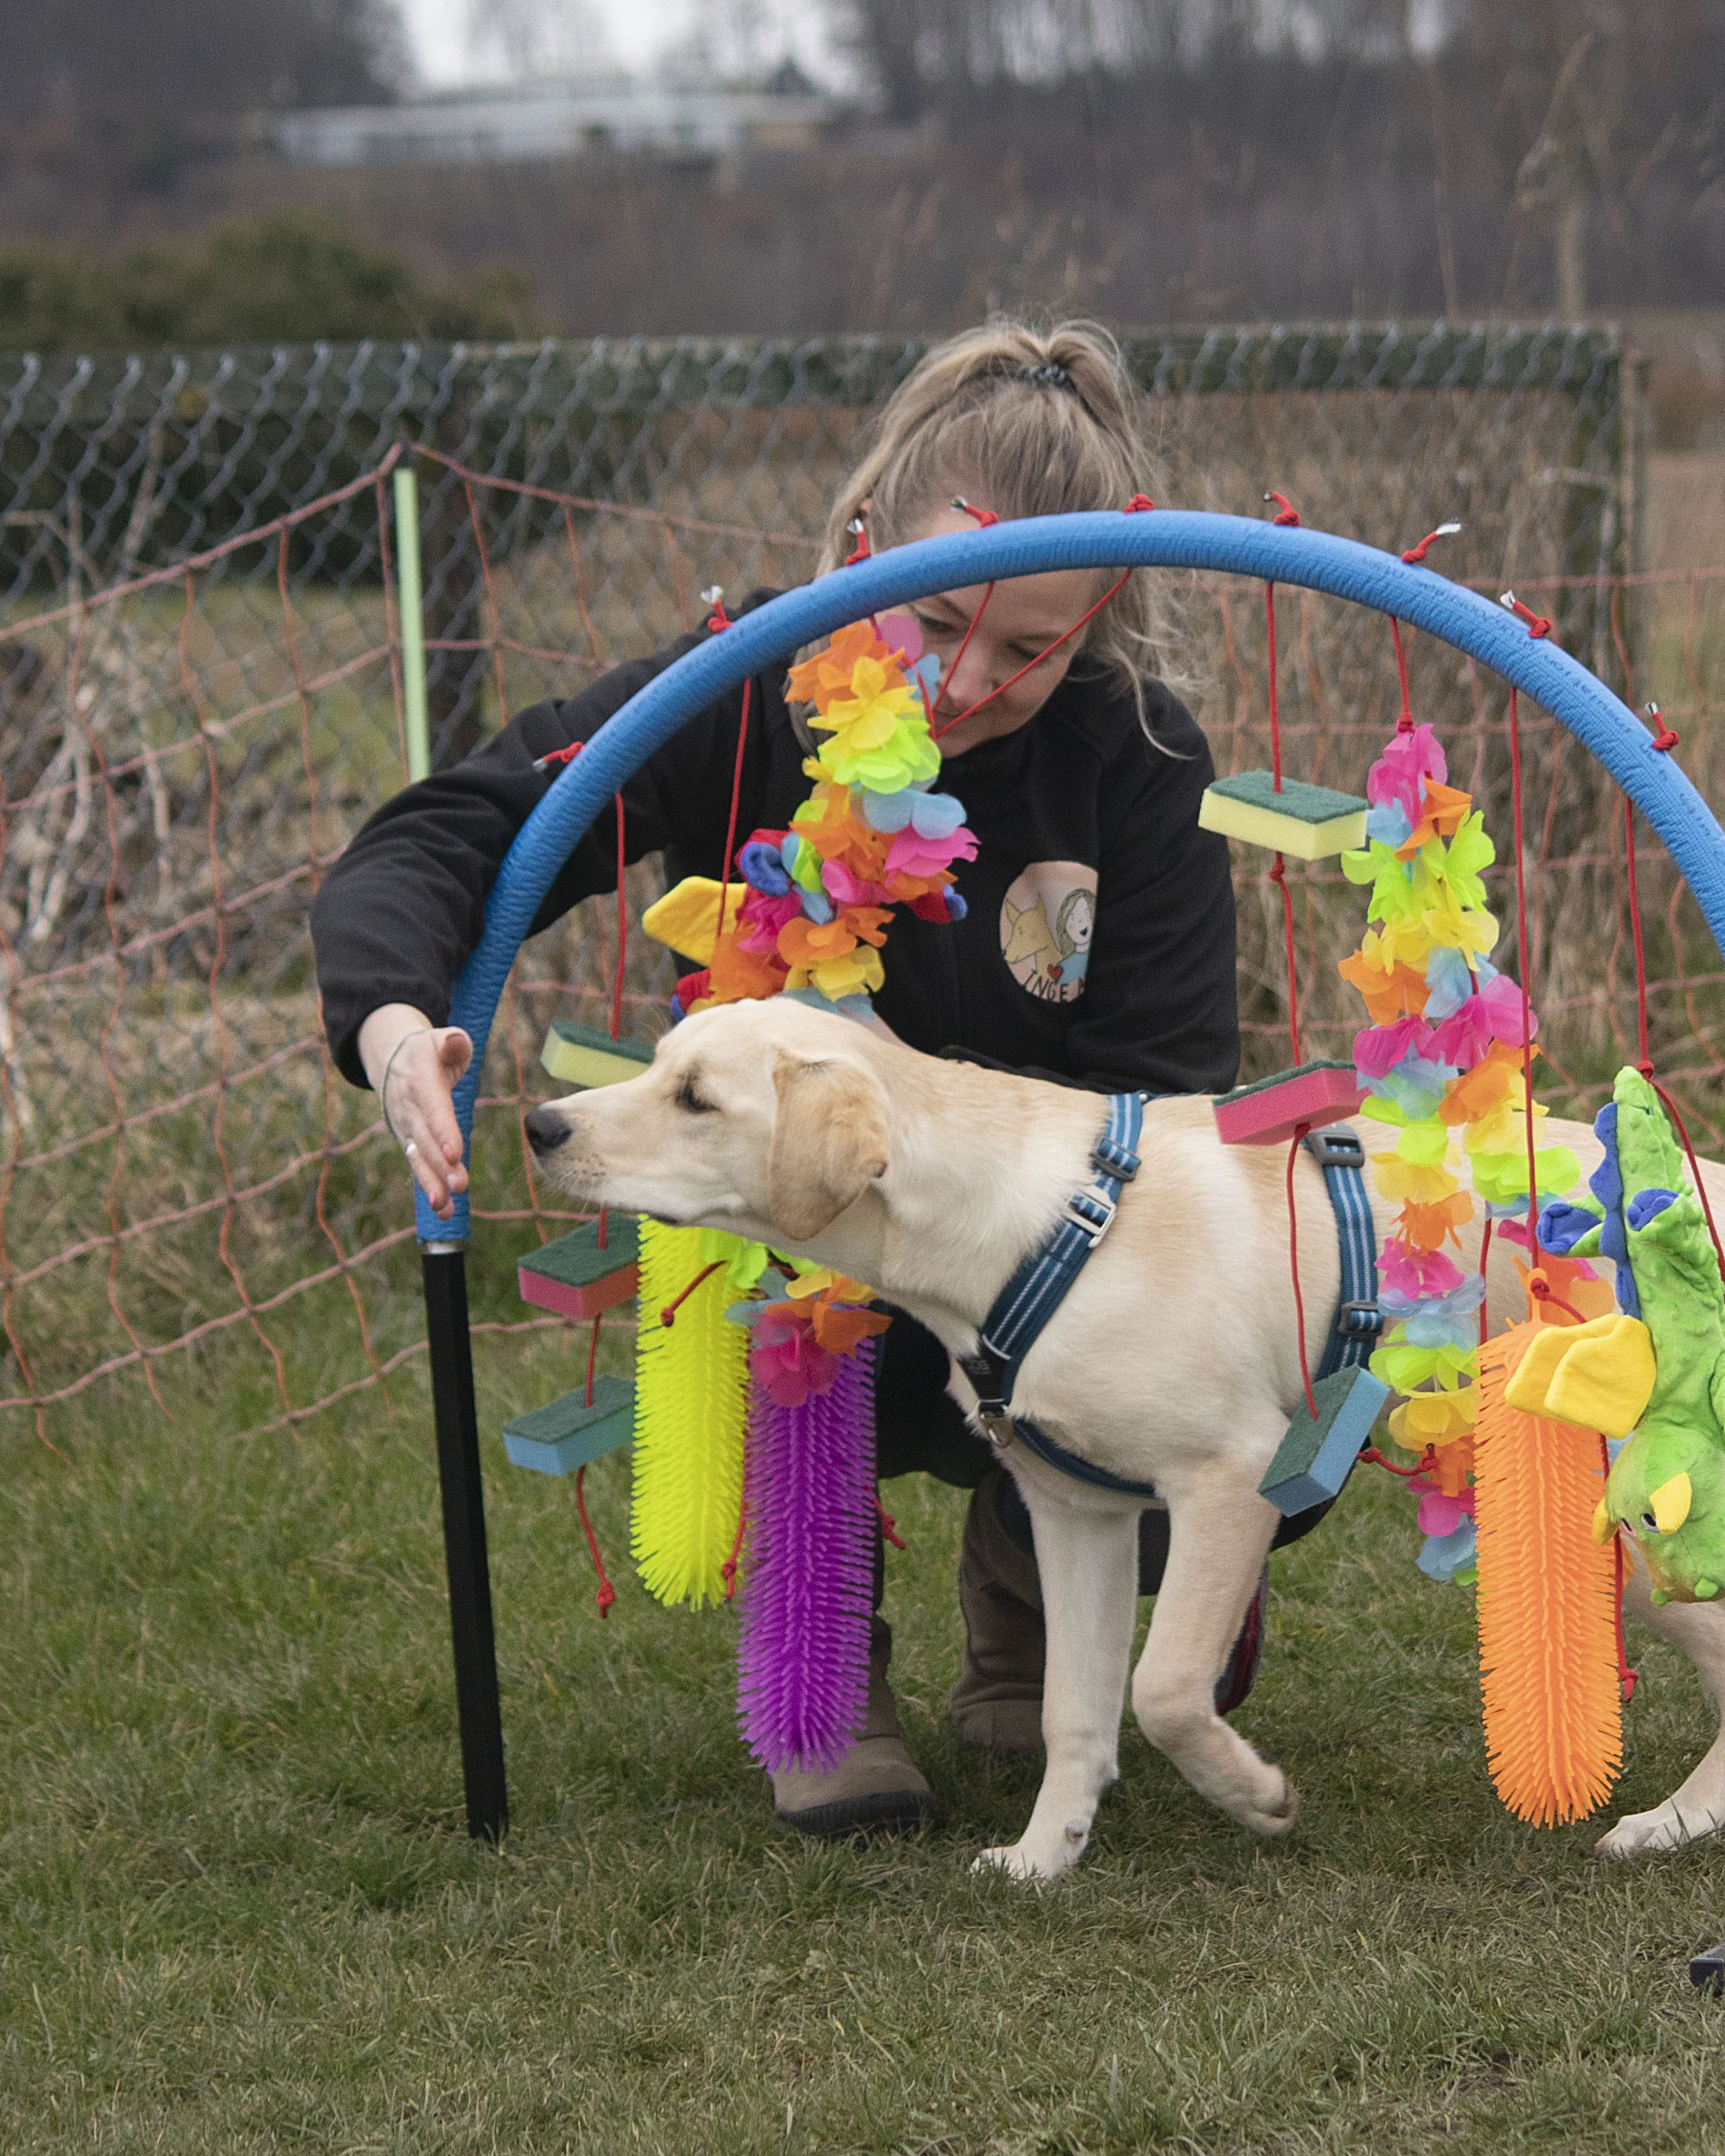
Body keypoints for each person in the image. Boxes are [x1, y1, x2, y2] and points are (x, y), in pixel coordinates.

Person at [311, 318, 1258, 1837]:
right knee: (774, 1295)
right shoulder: (747, 692)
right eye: (936, 619)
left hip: (1047, 1276)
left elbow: (1165, 1096)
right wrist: (387, 1017)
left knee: (1245, 1383)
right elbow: (455, 828)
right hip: (797, 1260)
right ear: (865, 546)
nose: (964, 681)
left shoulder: (1139, 762)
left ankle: (1034, 1587)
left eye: (1027, 648)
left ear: (1105, 609)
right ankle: (825, 1665)